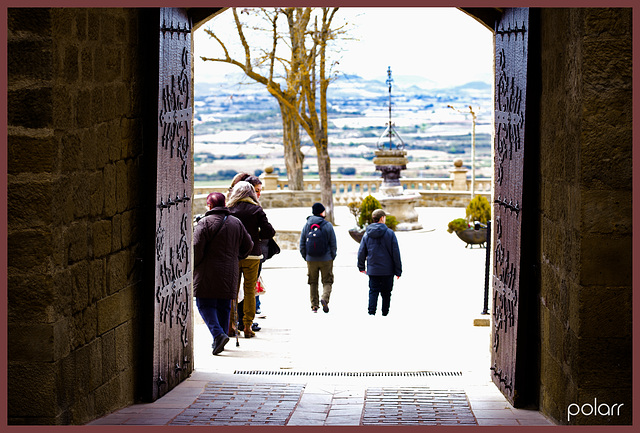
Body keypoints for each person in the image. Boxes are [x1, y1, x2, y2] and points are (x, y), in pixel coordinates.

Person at [193, 192, 253, 355]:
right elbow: (248, 245)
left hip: (207, 271)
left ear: (209, 205)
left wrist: (195, 265)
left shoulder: (204, 223)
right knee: (224, 305)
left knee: (204, 304)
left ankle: (218, 334)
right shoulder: (236, 223)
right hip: (230, 271)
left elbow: (196, 249)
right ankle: (221, 338)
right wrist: (236, 257)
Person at [227, 181, 275, 337]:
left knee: (232, 291)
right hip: (253, 255)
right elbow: (269, 232)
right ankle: (247, 327)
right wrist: (255, 237)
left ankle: (232, 325)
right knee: (249, 291)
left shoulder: (230, 209)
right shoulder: (256, 210)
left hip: (234, 254)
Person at [357, 208, 402, 316]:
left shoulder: (367, 234)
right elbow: (396, 253)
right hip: (388, 270)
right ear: (382, 218)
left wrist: (361, 267)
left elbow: (361, 251)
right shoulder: (390, 234)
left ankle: (371, 313)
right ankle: (385, 313)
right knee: (386, 293)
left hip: (373, 270)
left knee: (373, 291)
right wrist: (398, 271)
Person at [299, 202, 337, 313]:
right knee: (327, 281)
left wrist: (306, 257)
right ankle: (324, 298)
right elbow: (333, 244)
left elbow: (302, 244)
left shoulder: (307, 225)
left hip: (311, 259)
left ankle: (314, 306)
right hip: (326, 258)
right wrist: (331, 256)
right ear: (321, 212)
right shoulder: (327, 225)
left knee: (313, 282)